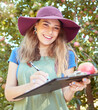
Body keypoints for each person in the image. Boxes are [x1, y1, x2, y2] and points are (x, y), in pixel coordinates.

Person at [5, 6, 90, 110]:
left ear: (59, 32)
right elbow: (8, 95)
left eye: (56, 28)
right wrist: (31, 86)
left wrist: (72, 89)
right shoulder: (17, 53)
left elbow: (65, 97)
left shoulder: (67, 55)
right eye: (46, 25)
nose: (50, 32)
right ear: (36, 26)